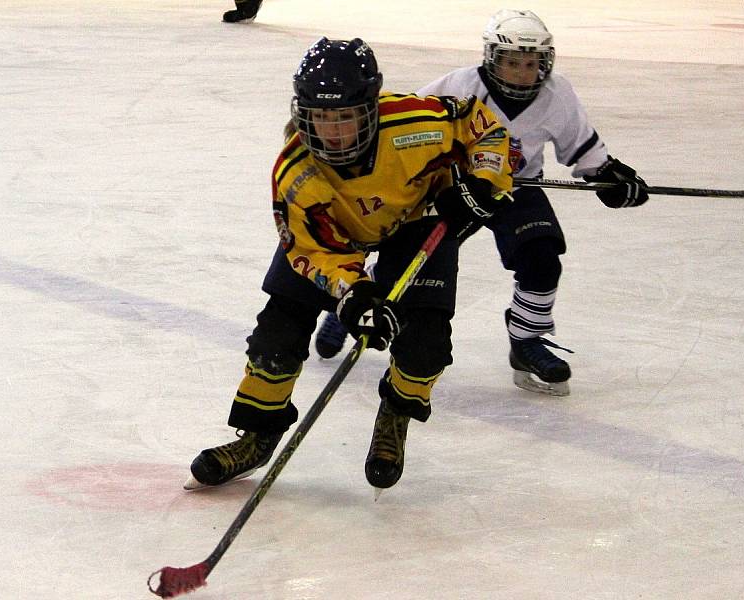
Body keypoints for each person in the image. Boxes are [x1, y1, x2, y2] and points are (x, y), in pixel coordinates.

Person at [185, 37, 514, 492]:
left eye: (344, 118)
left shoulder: (417, 121)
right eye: (320, 118)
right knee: (275, 338)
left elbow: (482, 129)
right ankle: (258, 434)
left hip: (418, 218)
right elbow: (312, 250)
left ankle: (397, 411)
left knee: (426, 343)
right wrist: (353, 291)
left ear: (372, 107)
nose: (333, 133)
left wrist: (481, 179)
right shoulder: (294, 171)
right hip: (334, 236)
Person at [314, 9, 650, 396]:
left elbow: (583, 148)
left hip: (515, 189)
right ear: (492, 58)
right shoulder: (459, 85)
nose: (523, 72)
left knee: (541, 257)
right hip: (456, 189)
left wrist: (610, 176)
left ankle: (529, 340)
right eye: (512, 62)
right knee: (415, 261)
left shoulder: (558, 94)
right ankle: (364, 295)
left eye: (532, 63)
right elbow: (412, 125)